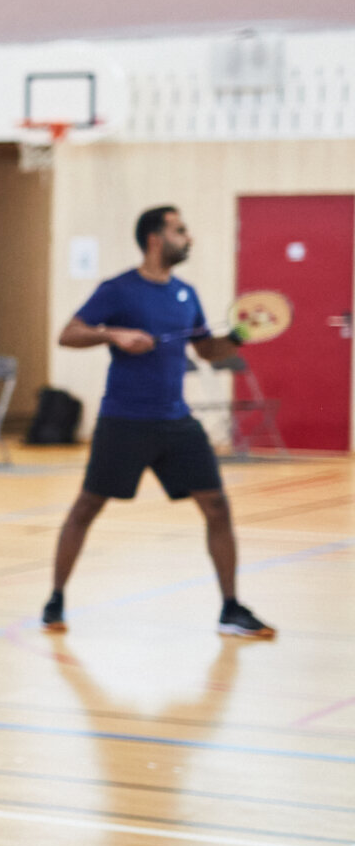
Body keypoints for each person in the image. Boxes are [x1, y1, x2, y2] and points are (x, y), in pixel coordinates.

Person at [42, 206, 274, 639]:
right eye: (180, 231)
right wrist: (113, 335)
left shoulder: (186, 294)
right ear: (155, 239)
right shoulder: (118, 290)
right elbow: (68, 334)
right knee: (87, 507)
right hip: (124, 421)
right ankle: (55, 599)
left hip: (176, 421)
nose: (189, 238)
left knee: (217, 507)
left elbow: (206, 350)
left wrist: (240, 335)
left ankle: (230, 608)